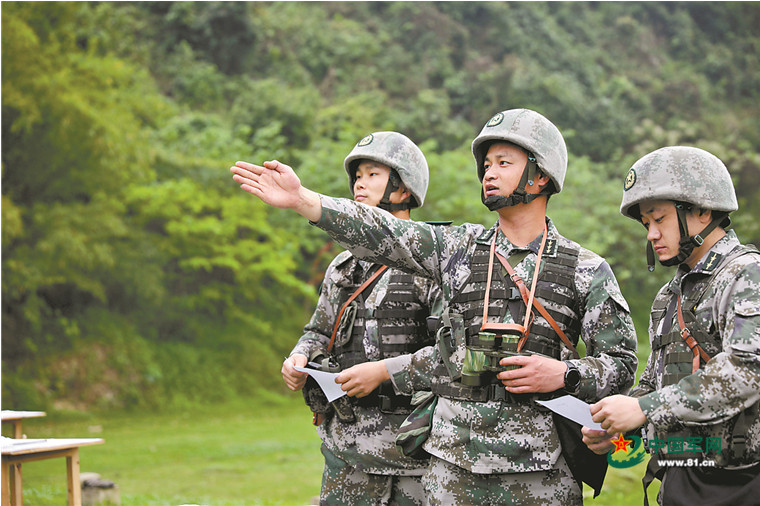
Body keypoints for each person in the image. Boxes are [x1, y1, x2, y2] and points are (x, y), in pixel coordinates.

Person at [232, 108, 638, 504]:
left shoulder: (585, 269)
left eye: (503, 162)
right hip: (450, 471)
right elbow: (385, 231)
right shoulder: (456, 249)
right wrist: (305, 201)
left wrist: (563, 374)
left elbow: (620, 364)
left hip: (541, 474)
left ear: (542, 175)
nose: (489, 173)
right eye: (486, 163)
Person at [583, 146, 760, 505]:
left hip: (742, 484)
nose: (650, 234)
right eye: (647, 223)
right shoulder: (670, 295)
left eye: (659, 219)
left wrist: (644, 408)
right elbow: (653, 382)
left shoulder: (747, 275)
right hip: (679, 477)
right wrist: (619, 427)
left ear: (701, 210)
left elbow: (748, 369)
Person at [280, 131, 443, 505]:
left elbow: (449, 356)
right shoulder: (343, 266)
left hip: (415, 451)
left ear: (403, 190)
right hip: (347, 448)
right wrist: (299, 357)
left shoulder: (433, 267)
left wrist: (385, 371)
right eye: (357, 175)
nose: (359, 183)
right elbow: (319, 330)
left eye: (373, 174)